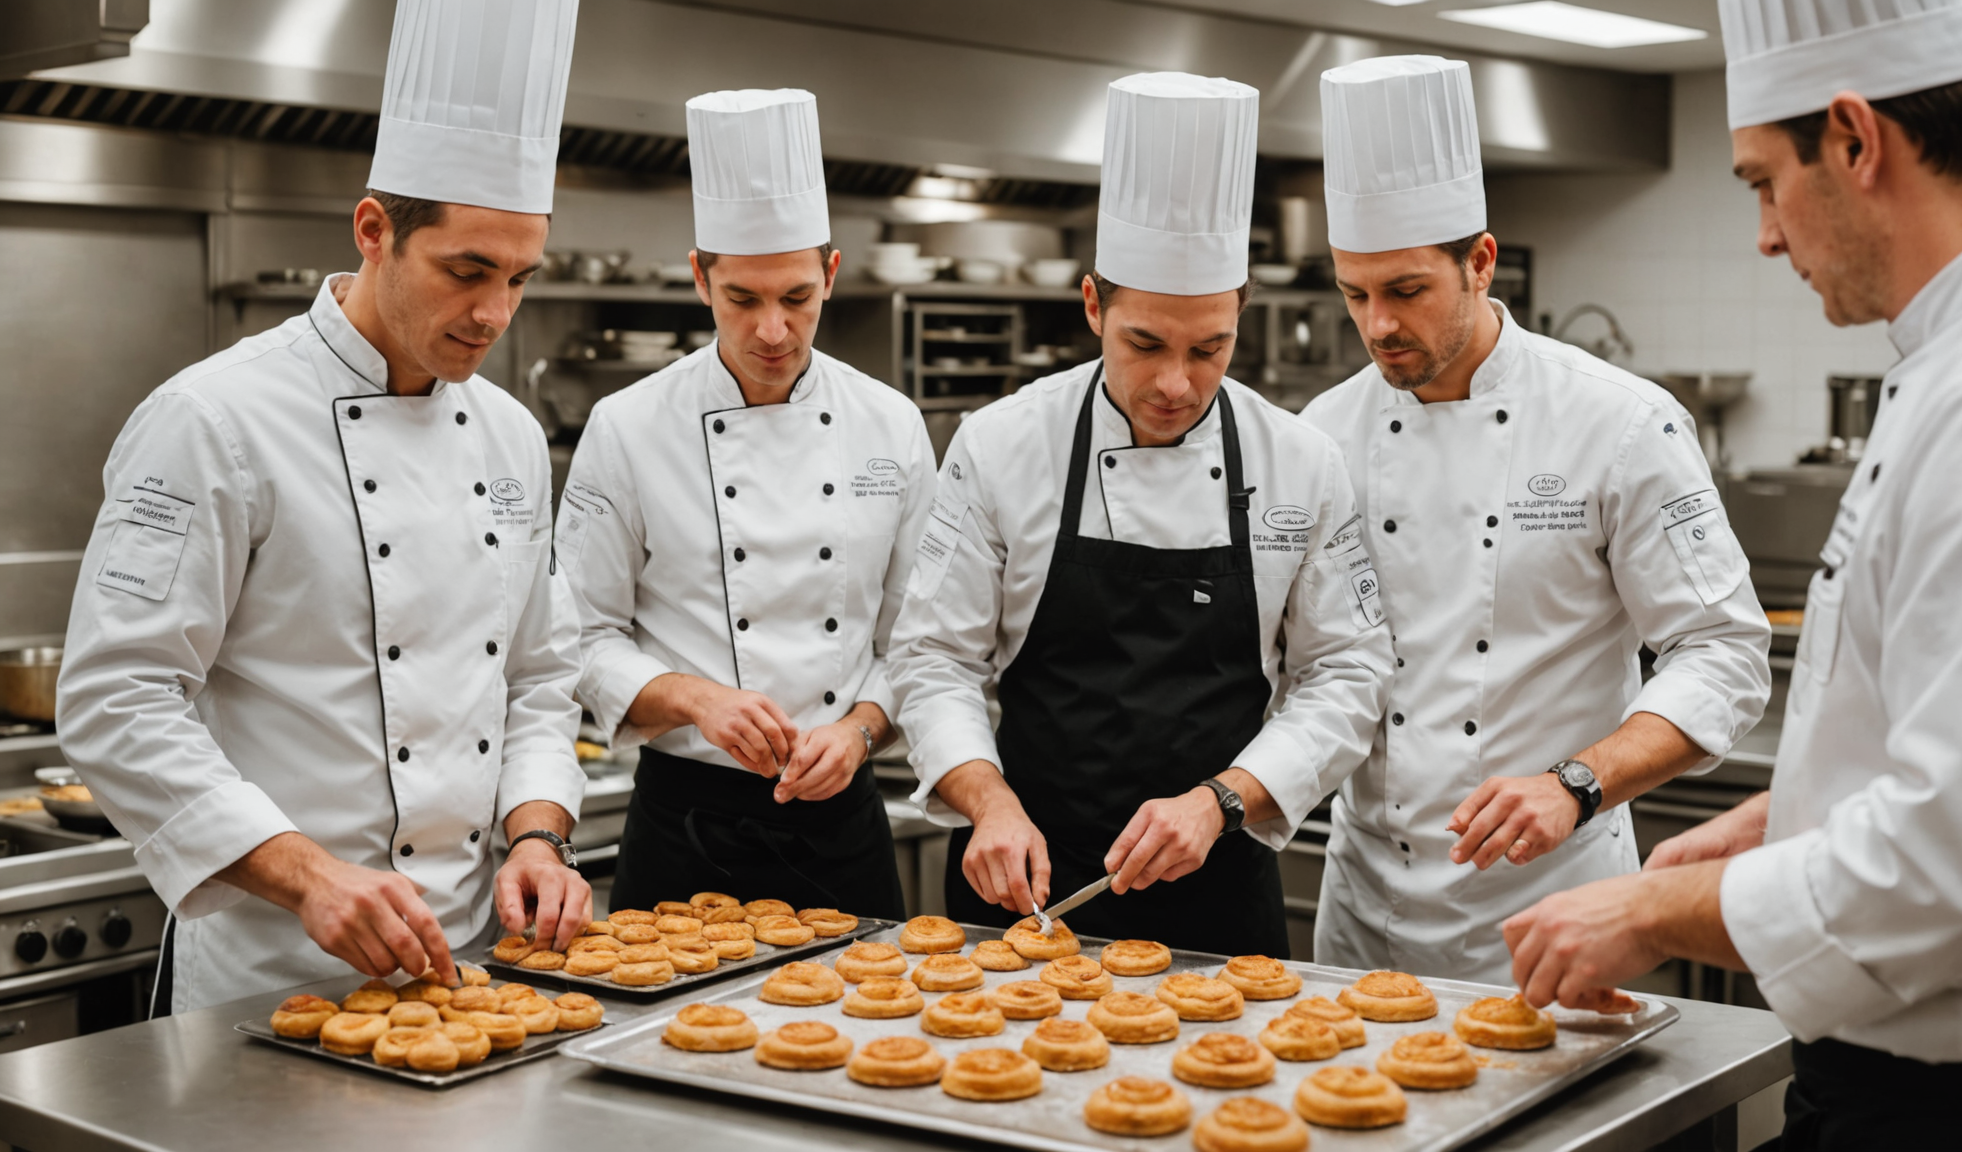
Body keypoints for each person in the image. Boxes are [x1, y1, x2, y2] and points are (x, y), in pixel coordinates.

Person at [1502, 0, 1962, 1143]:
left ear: (1854, 139)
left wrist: (1659, 906)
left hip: (1956, 1104)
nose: (1767, 237)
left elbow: (1961, 874)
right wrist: (1796, 813)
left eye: (1758, 183)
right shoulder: (1952, 367)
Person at [55, 0, 590, 1014]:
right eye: (467, 272)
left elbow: (537, 675)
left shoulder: (513, 435)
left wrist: (536, 832)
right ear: (374, 230)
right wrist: (308, 876)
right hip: (267, 978)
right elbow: (116, 697)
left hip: (471, 969)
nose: (495, 315)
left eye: (521, 278)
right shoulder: (213, 421)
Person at [888, 72, 1394, 957]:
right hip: (1021, 882)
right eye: (1145, 344)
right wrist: (987, 801)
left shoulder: (1300, 460)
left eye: (1210, 350)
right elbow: (934, 657)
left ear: (1242, 315)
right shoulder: (1003, 444)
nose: (1175, 384)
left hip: (1220, 882)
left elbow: (1349, 672)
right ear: (1093, 306)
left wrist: (1224, 799)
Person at [1296, 57, 1772, 983]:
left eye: (1406, 291)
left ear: (1480, 262)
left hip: (1555, 901)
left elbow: (1723, 652)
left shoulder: (1620, 422)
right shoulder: (1324, 433)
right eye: (1355, 295)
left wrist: (1576, 784)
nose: (1378, 325)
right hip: (1362, 908)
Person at [561, 89, 932, 919]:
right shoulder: (627, 427)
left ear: (831, 276)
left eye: (797, 298)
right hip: (683, 822)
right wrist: (696, 700)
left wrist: (861, 730)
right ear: (701, 279)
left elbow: (922, 638)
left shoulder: (892, 425)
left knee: (867, 1045)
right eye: (743, 299)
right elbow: (575, 637)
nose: (772, 330)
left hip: (842, 823)